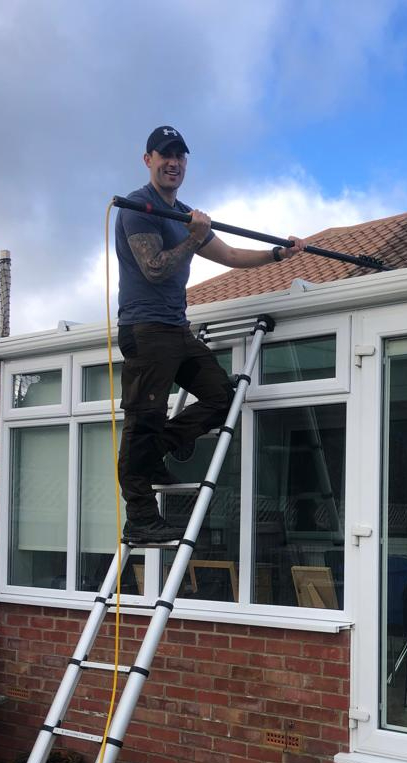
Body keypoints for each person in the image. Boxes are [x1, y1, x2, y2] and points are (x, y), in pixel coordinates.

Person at [116, 125, 305, 545]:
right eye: (165, 155)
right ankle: (141, 519)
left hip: (176, 328)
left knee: (224, 397)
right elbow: (154, 268)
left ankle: (159, 448)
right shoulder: (138, 207)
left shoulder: (183, 214)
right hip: (145, 328)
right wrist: (193, 238)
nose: (174, 162)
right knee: (142, 420)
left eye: (180, 156)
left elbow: (233, 256)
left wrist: (279, 253)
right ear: (148, 159)